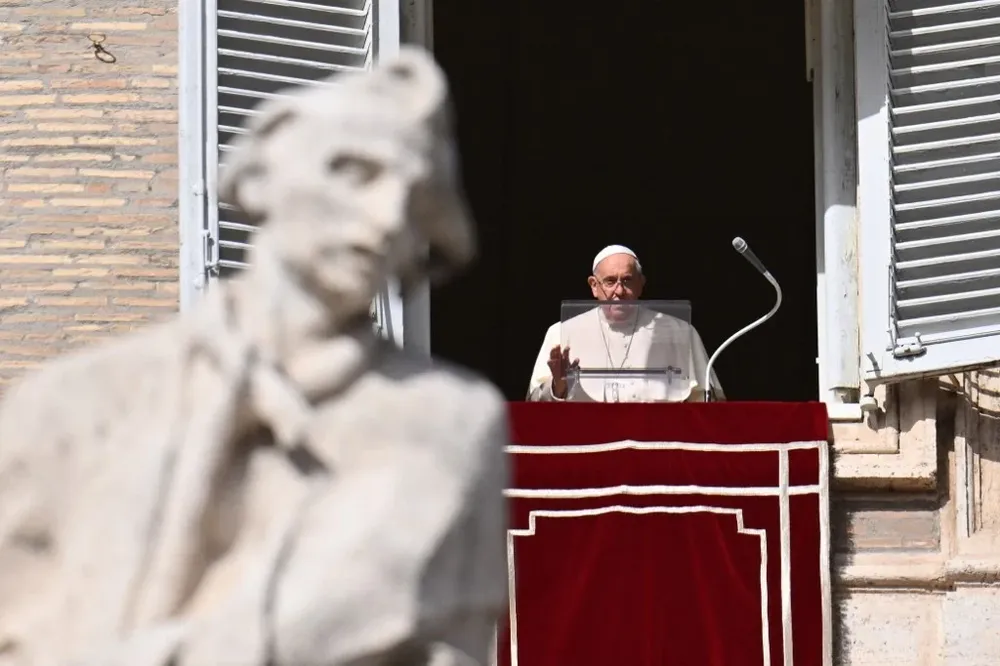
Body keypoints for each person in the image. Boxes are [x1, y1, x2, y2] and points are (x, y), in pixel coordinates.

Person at [526, 245, 724, 402]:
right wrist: (558, 387)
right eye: (610, 281)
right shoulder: (561, 332)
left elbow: (709, 405)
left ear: (641, 284)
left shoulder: (679, 331)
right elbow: (534, 410)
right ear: (594, 286)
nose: (619, 291)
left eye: (627, 281)